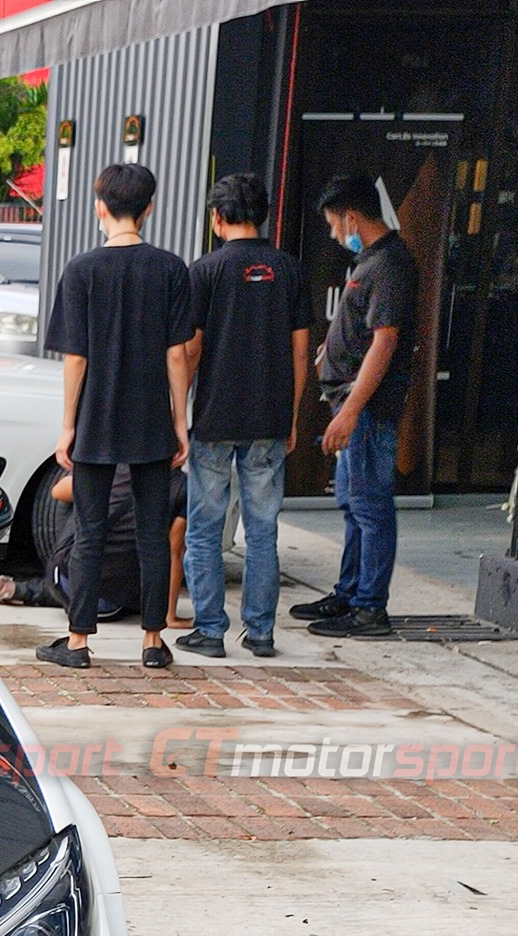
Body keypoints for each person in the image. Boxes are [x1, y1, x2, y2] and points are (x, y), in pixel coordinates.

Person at [39, 162, 193, 670]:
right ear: (149, 209)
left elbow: (76, 358)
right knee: (153, 532)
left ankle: (79, 642)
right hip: (151, 418)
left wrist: (67, 424)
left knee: (89, 530)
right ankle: (152, 641)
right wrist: (178, 420)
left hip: (96, 421)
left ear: (99, 206)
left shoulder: (80, 270)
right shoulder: (170, 269)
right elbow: (178, 353)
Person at [179, 172, 312, 659]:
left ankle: (210, 630)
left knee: (204, 528)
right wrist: (292, 417)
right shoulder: (291, 270)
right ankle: (260, 633)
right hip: (269, 420)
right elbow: (301, 354)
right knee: (262, 529)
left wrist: (180, 411)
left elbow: (191, 352)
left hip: (214, 419)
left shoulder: (205, 271)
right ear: (263, 215)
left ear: (217, 218)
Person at [289, 174, 417, 638]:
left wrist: (351, 410)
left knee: (371, 506)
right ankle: (348, 593)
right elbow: (363, 330)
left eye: (332, 223)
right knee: (352, 504)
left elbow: (385, 342)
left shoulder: (390, 265)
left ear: (351, 216)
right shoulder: (370, 261)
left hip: (367, 409)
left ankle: (369, 607)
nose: (332, 233)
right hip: (349, 400)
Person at [0, 467, 186, 620]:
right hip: (113, 604)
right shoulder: (182, 488)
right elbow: (174, 554)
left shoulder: (112, 468)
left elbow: (57, 492)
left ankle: (40, 587)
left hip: (72, 584)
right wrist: (168, 616)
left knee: (77, 498)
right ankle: (34, 589)